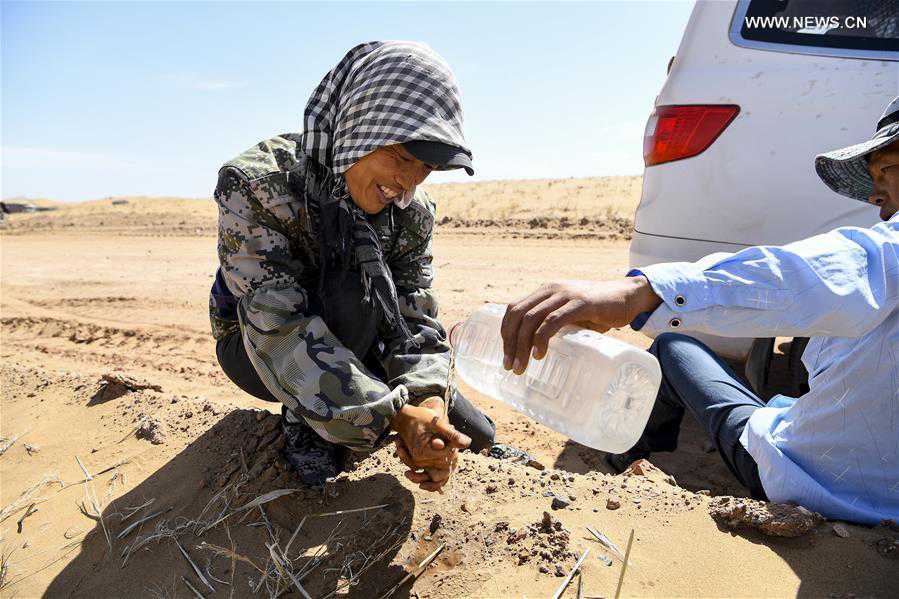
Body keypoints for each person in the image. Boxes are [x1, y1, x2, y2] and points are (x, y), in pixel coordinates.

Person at [500, 96, 899, 525]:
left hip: (819, 485)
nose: (875, 193)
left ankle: (618, 468)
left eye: (886, 171)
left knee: (673, 349)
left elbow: (814, 270)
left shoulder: (884, 251)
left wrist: (639, 294)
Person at [209, 41, 496, 491]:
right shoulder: (257, 187)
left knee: (471, 433)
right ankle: (309, 426)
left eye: (425, 168)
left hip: (365, 340)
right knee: (349, 291)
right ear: (361, 126)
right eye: (401, 156)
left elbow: (415, 318)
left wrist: (429, 403)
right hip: (254, 346)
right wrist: (394, 416)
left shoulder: (411, 212)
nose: (407, 182)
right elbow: (276, 323)